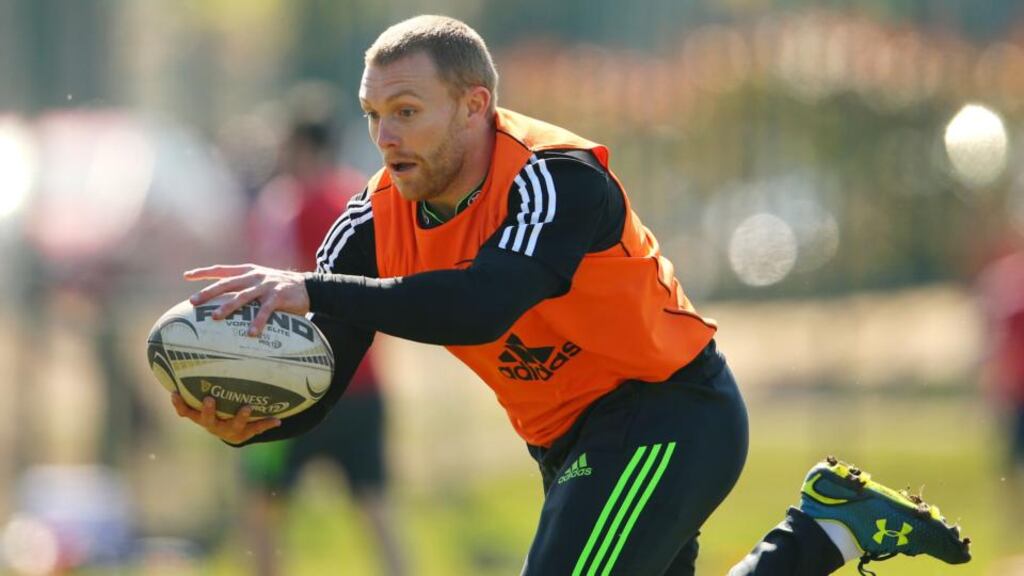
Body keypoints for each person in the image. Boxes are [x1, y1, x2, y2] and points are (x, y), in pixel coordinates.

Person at [171, 15, 971, 575]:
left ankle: (825, 533)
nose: (386, 136)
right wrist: (253, 420)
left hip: (665, 414)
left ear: (474, 106)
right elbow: (328, 374)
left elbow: (487, 302)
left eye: (408, 112)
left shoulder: (556, 178)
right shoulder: (370, 219)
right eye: (374, 114)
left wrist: (311, 288)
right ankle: (828, 530)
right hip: (569, 448)